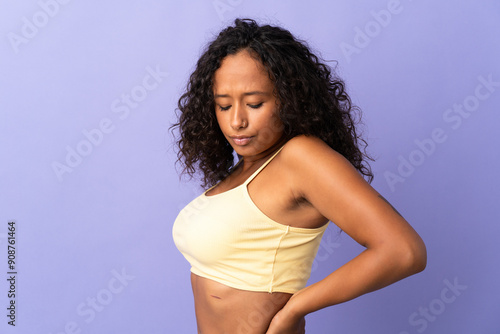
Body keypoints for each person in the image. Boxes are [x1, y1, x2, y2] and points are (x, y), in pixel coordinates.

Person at [172, 18, 426, 334]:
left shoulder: (301, 157)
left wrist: (295, 308)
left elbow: (404, 251)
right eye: (223, 106)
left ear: (288, 98)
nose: (237, 120)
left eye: (254, 103)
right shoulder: (246, 166)